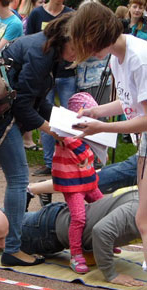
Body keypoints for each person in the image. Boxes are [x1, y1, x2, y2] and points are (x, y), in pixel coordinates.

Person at [0, 13, 77, 267]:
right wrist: (51, 130)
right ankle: (12, 248)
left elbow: (36, 98)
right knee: (19, 178)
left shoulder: (46, 48)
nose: (80, 54)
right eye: (77, 46)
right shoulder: (41, 53)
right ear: (64, 39)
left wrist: (63, 120)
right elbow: (23, 105)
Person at [70, 2, 147, 290]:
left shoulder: (140, 58)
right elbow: (129, 102)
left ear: (95, 36)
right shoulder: (121, 56)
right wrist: (96, 112)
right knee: (144, 219)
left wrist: (102, 128)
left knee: (145, 220)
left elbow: (145, 118)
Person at [19, 187, 144, 288]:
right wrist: (111, 274)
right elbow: (101, 231)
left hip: (54, 223)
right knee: (2, 228)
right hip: (48, 231)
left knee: (9, 220)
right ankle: (22, 193)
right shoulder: (138, 208)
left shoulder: (141, 197)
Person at [48, 92, 104, 274]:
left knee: (103, 207)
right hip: (73, 185)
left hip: (88, 181)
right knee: (79, 218)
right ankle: (76, 254)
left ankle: (103, 243)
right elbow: (82, 152)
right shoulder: (65, 133)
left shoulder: (85, 134)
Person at [26, 0, 74, 177]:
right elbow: (29, 40)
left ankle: (67, 163)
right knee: (44, 113)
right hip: (42, 74)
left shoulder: (70, 14)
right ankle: (50, 163)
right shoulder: (37, 14)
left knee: (63, 117)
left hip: (66, 75)